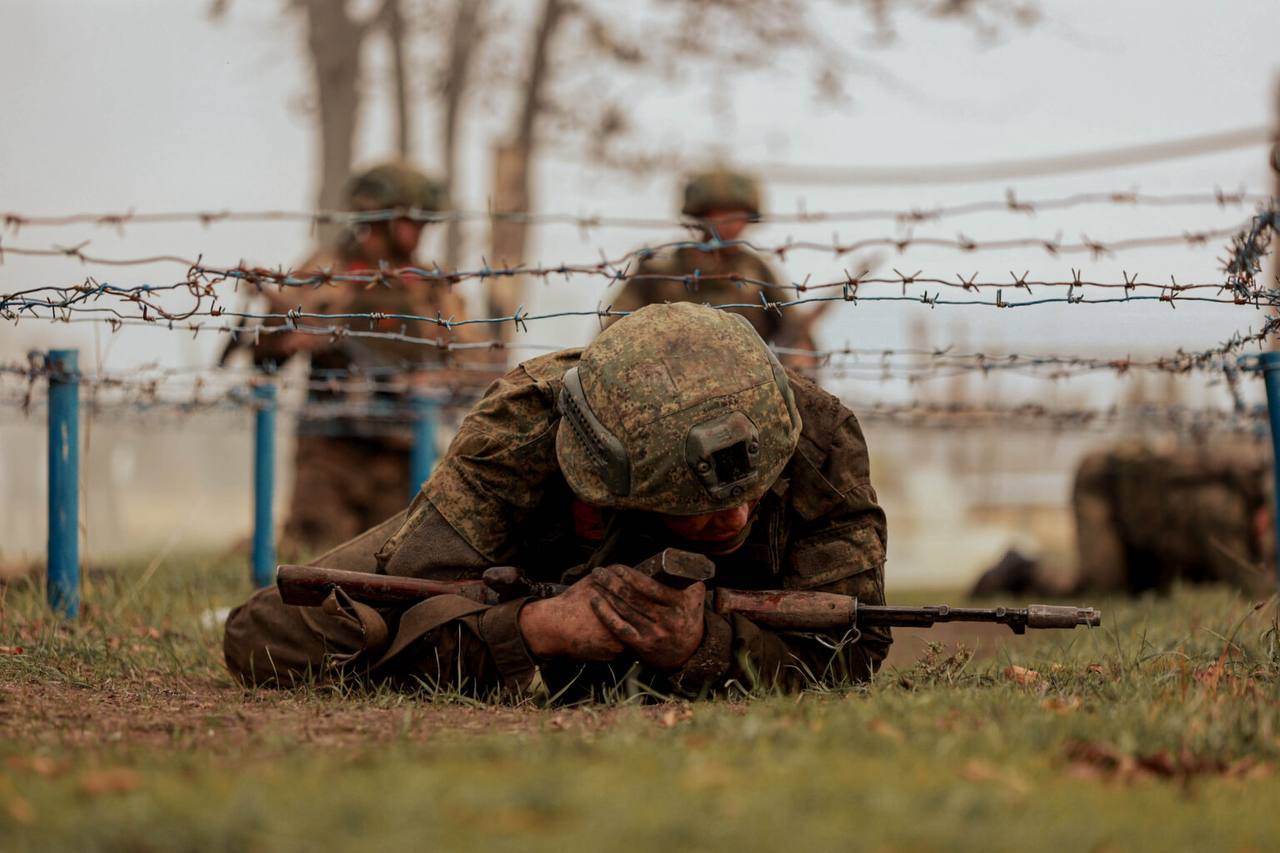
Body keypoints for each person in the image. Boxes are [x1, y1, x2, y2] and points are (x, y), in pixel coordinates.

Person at [224, 303, 891, 700]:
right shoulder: (523, 437)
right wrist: (536, 629)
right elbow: (269, 635)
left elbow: (856, 647)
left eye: (755, 489)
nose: (737, 517)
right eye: (701, 504)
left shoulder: (811, 432)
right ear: (606, 482)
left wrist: (703, 643)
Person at [230, 162, 483, 555]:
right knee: (312, 558)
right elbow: (264, 349)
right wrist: (290, 339)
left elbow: (475, 363)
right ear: (381, 217)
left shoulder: (432, 285)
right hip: (331, 453)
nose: (421, 232)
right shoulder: (329, 269)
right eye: (412, 220)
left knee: (394, 561)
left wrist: (433, 382)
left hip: (401, 453)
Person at [972, 442, 1276, 598]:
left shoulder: (1242, 496)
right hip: (1103, 491)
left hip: (1144, 528)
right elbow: (1255, 587)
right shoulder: (1224, 513)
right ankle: (1021, 569)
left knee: (1142, 595)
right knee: (1098, 589)